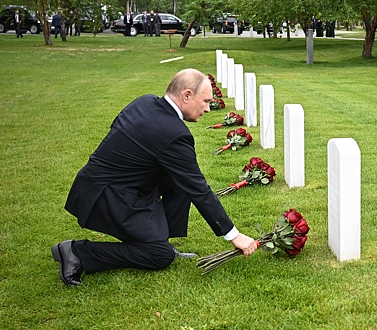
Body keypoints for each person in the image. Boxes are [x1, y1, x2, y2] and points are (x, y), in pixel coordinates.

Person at [52, 69, 259, 286]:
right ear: (187, 95)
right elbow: (199, 189)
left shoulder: (145, 102)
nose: (208, 108)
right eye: (206, 101)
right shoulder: (174, 133)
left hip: (108, 182)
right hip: (106, 195)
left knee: (179, 183)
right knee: (158, 256)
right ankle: (77, 252)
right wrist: (234, 236)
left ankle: (160, 239)